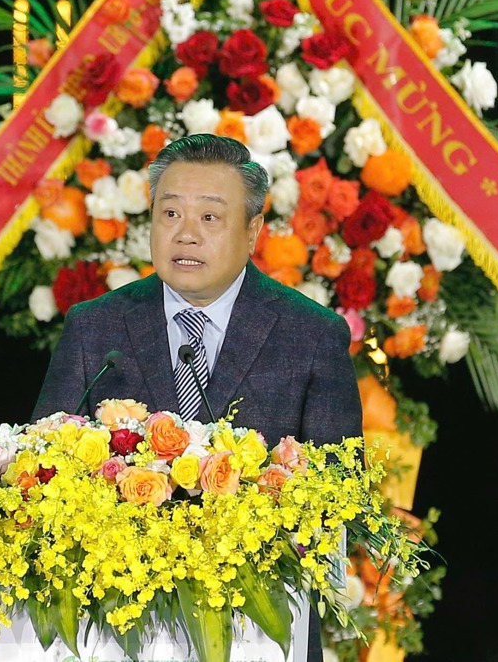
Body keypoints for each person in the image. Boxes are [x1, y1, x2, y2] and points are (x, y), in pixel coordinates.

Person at [31, 133, 361, 661]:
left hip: (260, 634)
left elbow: (339, 497)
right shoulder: (95, 328)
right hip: (115, 631)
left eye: (210, 218)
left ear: (253, 230)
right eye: (170, 214)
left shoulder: (312, 336)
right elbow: (40, 475)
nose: (186, 234)